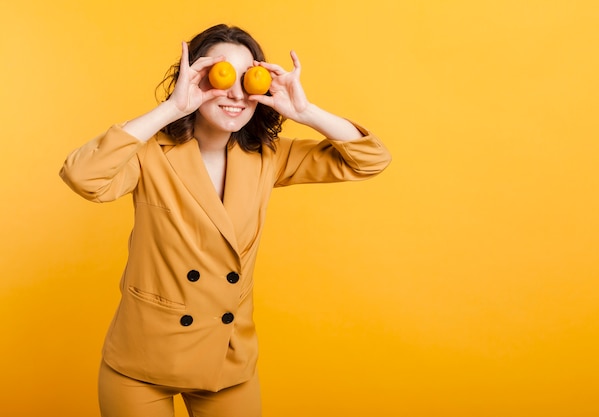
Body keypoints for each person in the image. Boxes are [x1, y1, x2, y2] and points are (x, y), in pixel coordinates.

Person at [60, 23, 391, 417]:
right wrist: (172, 108)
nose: (235, 93)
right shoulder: (150, 155)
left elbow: (371, 160)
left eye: (247, 80)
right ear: (195, 78)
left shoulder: (267, 157)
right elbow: (83, 176)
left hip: (227, 360)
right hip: (141, 362)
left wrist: (305, 112)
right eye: (222, 77)